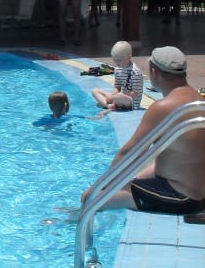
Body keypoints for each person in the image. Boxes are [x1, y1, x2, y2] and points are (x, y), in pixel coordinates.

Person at [80, 46, 205, 216]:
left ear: (154, 72)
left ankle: (74, 222)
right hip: (199, 194)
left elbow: (129, 153)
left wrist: (98, 187)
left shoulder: (163, 107)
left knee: (93, 200)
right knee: (147, 165)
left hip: (182, 199)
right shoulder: (199, 101)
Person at [91, 41, 144, 116]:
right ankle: (109, 105)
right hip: (119, 98)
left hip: (132, 103)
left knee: (118, 96)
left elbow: (135, 93)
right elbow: (117, 87)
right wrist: (113, 95)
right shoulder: (118, 69)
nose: (116, 62)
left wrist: (114, 97)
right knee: (95, 91)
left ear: (129, 57)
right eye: (114, 59)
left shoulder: (135, 72)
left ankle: (105, 103)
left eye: (119, 60)